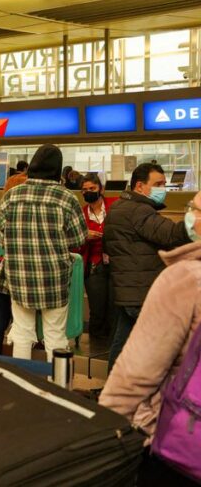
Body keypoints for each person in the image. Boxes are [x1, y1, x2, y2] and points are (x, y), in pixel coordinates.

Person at [99, 190, 201, 485]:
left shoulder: (185, 280)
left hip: (179, 441)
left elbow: (135, 375)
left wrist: (103, 431)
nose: (189, 216)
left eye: (193, 208)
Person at [0, 145, 87, 361]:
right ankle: (58, 386)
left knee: (22, 332)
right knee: (55, 335)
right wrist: (55, 242)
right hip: (54, 278)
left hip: (19, 277)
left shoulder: (11, 196)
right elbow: (79, 239)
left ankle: (24, 384)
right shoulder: (66, 198)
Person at [104, 163, 192, 371]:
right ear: (140, 186)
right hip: (143, 291)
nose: (163, 188)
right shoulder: (139, 210)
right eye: (158, 184)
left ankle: (112, 390)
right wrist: (194, 222)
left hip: (128, 289)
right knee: (164, 346)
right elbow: (170, 234)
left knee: (122, 341)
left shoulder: (118, 207)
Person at [73, 173, 117, 341]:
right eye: (84, 190)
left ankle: (112, 345)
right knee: (97, 308)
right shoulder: (80, 214)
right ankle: (96, 345)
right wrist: (84, 236)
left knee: (115, 307)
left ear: (101, 189)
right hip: (94, 265)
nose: (88, 192)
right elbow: (74, 242)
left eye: (92, 188)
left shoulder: (115, 205)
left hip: (116, 263)